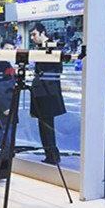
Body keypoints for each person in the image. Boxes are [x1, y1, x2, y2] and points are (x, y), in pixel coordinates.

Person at [29, 22, 66, 164]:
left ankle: (52, 155)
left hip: (47, 92)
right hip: (42, 91)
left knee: (47, 126)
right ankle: (50, 155)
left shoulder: (52, 47)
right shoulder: (41, 47)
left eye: (34, 34)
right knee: (43, 125)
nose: (32, 37)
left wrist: (40, 76)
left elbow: (57, 69)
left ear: (42, 32)